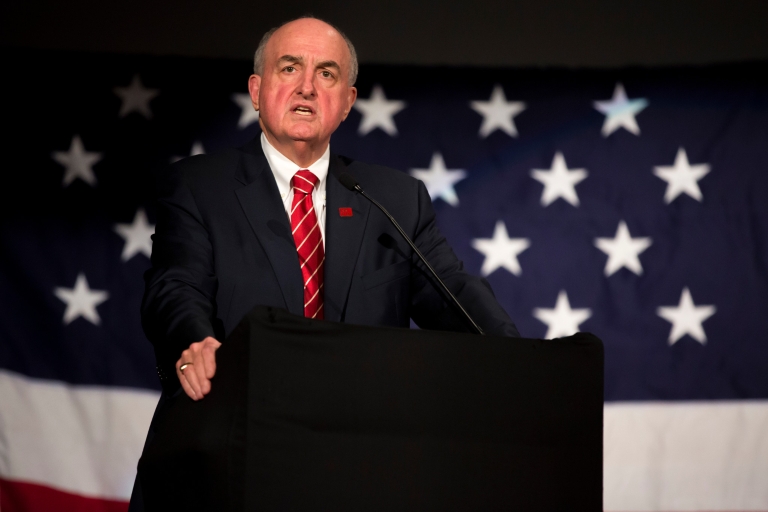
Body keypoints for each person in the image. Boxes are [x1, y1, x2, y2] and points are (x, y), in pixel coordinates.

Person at [140, 16, 520, 404]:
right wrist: (194, 342)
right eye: (289, 68)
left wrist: (523, 361)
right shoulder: (200, 185)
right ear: (257, 91)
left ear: (347, 103)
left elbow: (454, 295)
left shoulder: (395, 200)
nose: (306, 87)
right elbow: (177, 285)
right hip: (237, 421)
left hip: (355, 440)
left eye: (326, 74)